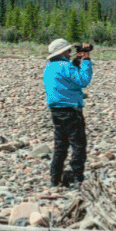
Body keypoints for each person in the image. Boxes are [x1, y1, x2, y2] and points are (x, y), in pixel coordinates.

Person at [43, 37, 93, 188]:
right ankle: (78, 177)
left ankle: (55, 178)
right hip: (71, 111)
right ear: (63, 51)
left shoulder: (50, 67)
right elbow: (83, 80)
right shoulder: (65, 66)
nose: (71, 52)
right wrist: (87, 61)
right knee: (78, 144)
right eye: (69, 50)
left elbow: (67, 80)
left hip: (56, 111)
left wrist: (77, 61)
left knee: (60, 145)